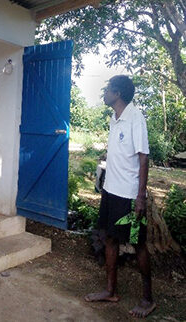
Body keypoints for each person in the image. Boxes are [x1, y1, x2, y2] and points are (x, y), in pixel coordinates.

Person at [85, 75, 156, 318]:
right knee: (109, 238)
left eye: (107, 90)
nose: (104, 94)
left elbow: (143, 157)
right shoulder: (114, 120)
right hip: (111, 192)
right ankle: (110, 291)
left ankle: (148, 299)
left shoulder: (135, 117)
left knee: (138, 244)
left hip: (128, 195)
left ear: (118, 93)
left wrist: (140, 197)